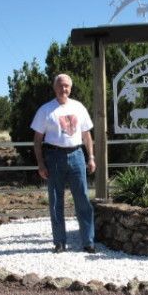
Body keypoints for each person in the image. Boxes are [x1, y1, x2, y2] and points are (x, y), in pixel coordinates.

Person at [31, 74, 97, 253]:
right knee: (55, 201)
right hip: (54, 157)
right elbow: (37, 140)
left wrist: (90, 157)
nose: (64, 89)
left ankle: (88, 242)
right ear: (55, 88)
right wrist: (41, 164)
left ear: (71, 88)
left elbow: (86, 135)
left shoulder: (79, 107)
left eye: (67, 86)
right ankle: (59, 242)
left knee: (82, 198)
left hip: (76, 155)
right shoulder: (46, 110)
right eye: (60, 86)